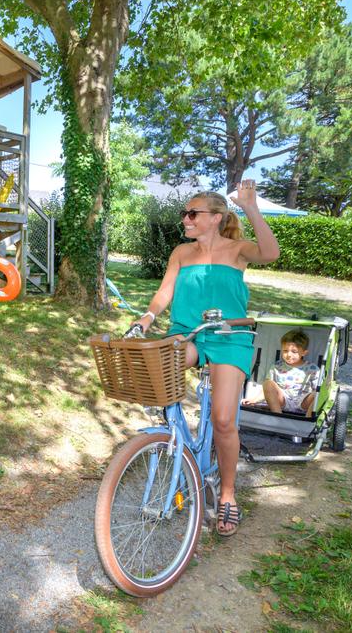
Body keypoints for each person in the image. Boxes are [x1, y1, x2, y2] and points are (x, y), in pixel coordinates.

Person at [133, 180, 280, 536]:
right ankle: (175, 435)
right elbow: (165, 291)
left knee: (224, 419)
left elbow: (271, 253)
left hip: (229, 336)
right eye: (184, 213)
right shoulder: (181, 253)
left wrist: (251, 207)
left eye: (192, 213)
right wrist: (148, 317)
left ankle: (227, 493)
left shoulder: (238, 250)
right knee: (162, 364)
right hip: (188, 332)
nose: (185, 218)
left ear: (215, 218)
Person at [254, 330, 320, 417]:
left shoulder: (312, 369)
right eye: (285, 351)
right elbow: (267, 390)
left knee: (318, 393)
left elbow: (317, 390)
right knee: (267, 383)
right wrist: (254, 400)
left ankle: (308, 421)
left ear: (304, 353)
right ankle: (277, 416)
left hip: (303, 402)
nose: (289, 355)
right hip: (283, 400)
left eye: (294, 351)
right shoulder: (277, 366)